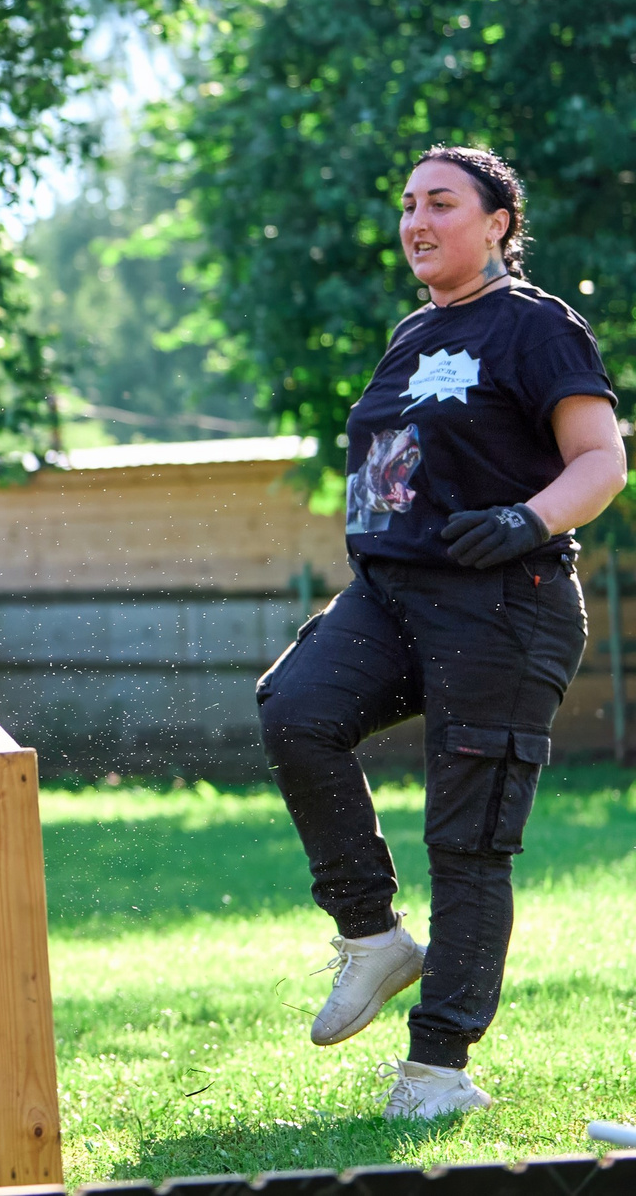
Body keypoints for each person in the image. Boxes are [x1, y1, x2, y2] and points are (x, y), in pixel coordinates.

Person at [257, 147, 624, 1120]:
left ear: (499, 221)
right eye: (408, 205)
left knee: (465, 843)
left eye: (442, 203)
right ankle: (372, 938)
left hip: (505, 601)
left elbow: (599, 459)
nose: (417, 221)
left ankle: (436, 1071)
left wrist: (526, 519)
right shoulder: (413, 331)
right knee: (294, 708)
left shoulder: (536, 326)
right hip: (391, 598)